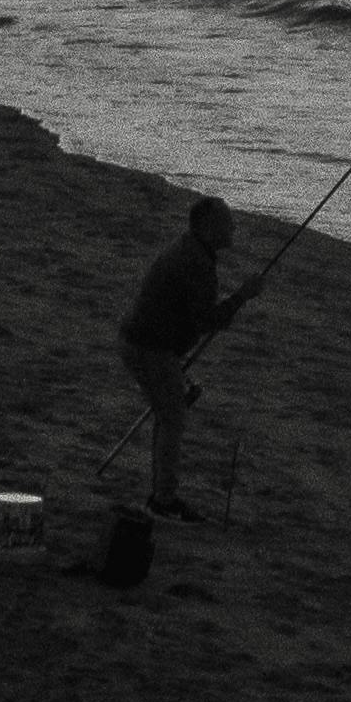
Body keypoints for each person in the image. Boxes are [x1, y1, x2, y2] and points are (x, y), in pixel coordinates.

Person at [120, 194, 250, 513]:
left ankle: (162, 496)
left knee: (171, 413)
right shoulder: (196, 262)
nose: (233, 227)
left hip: (149, 344)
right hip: (149, 348)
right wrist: (242, 297)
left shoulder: (192, 249)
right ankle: (163, 501)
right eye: (226, 222)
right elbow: (207, 321)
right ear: (208, 228)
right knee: (172, 419)